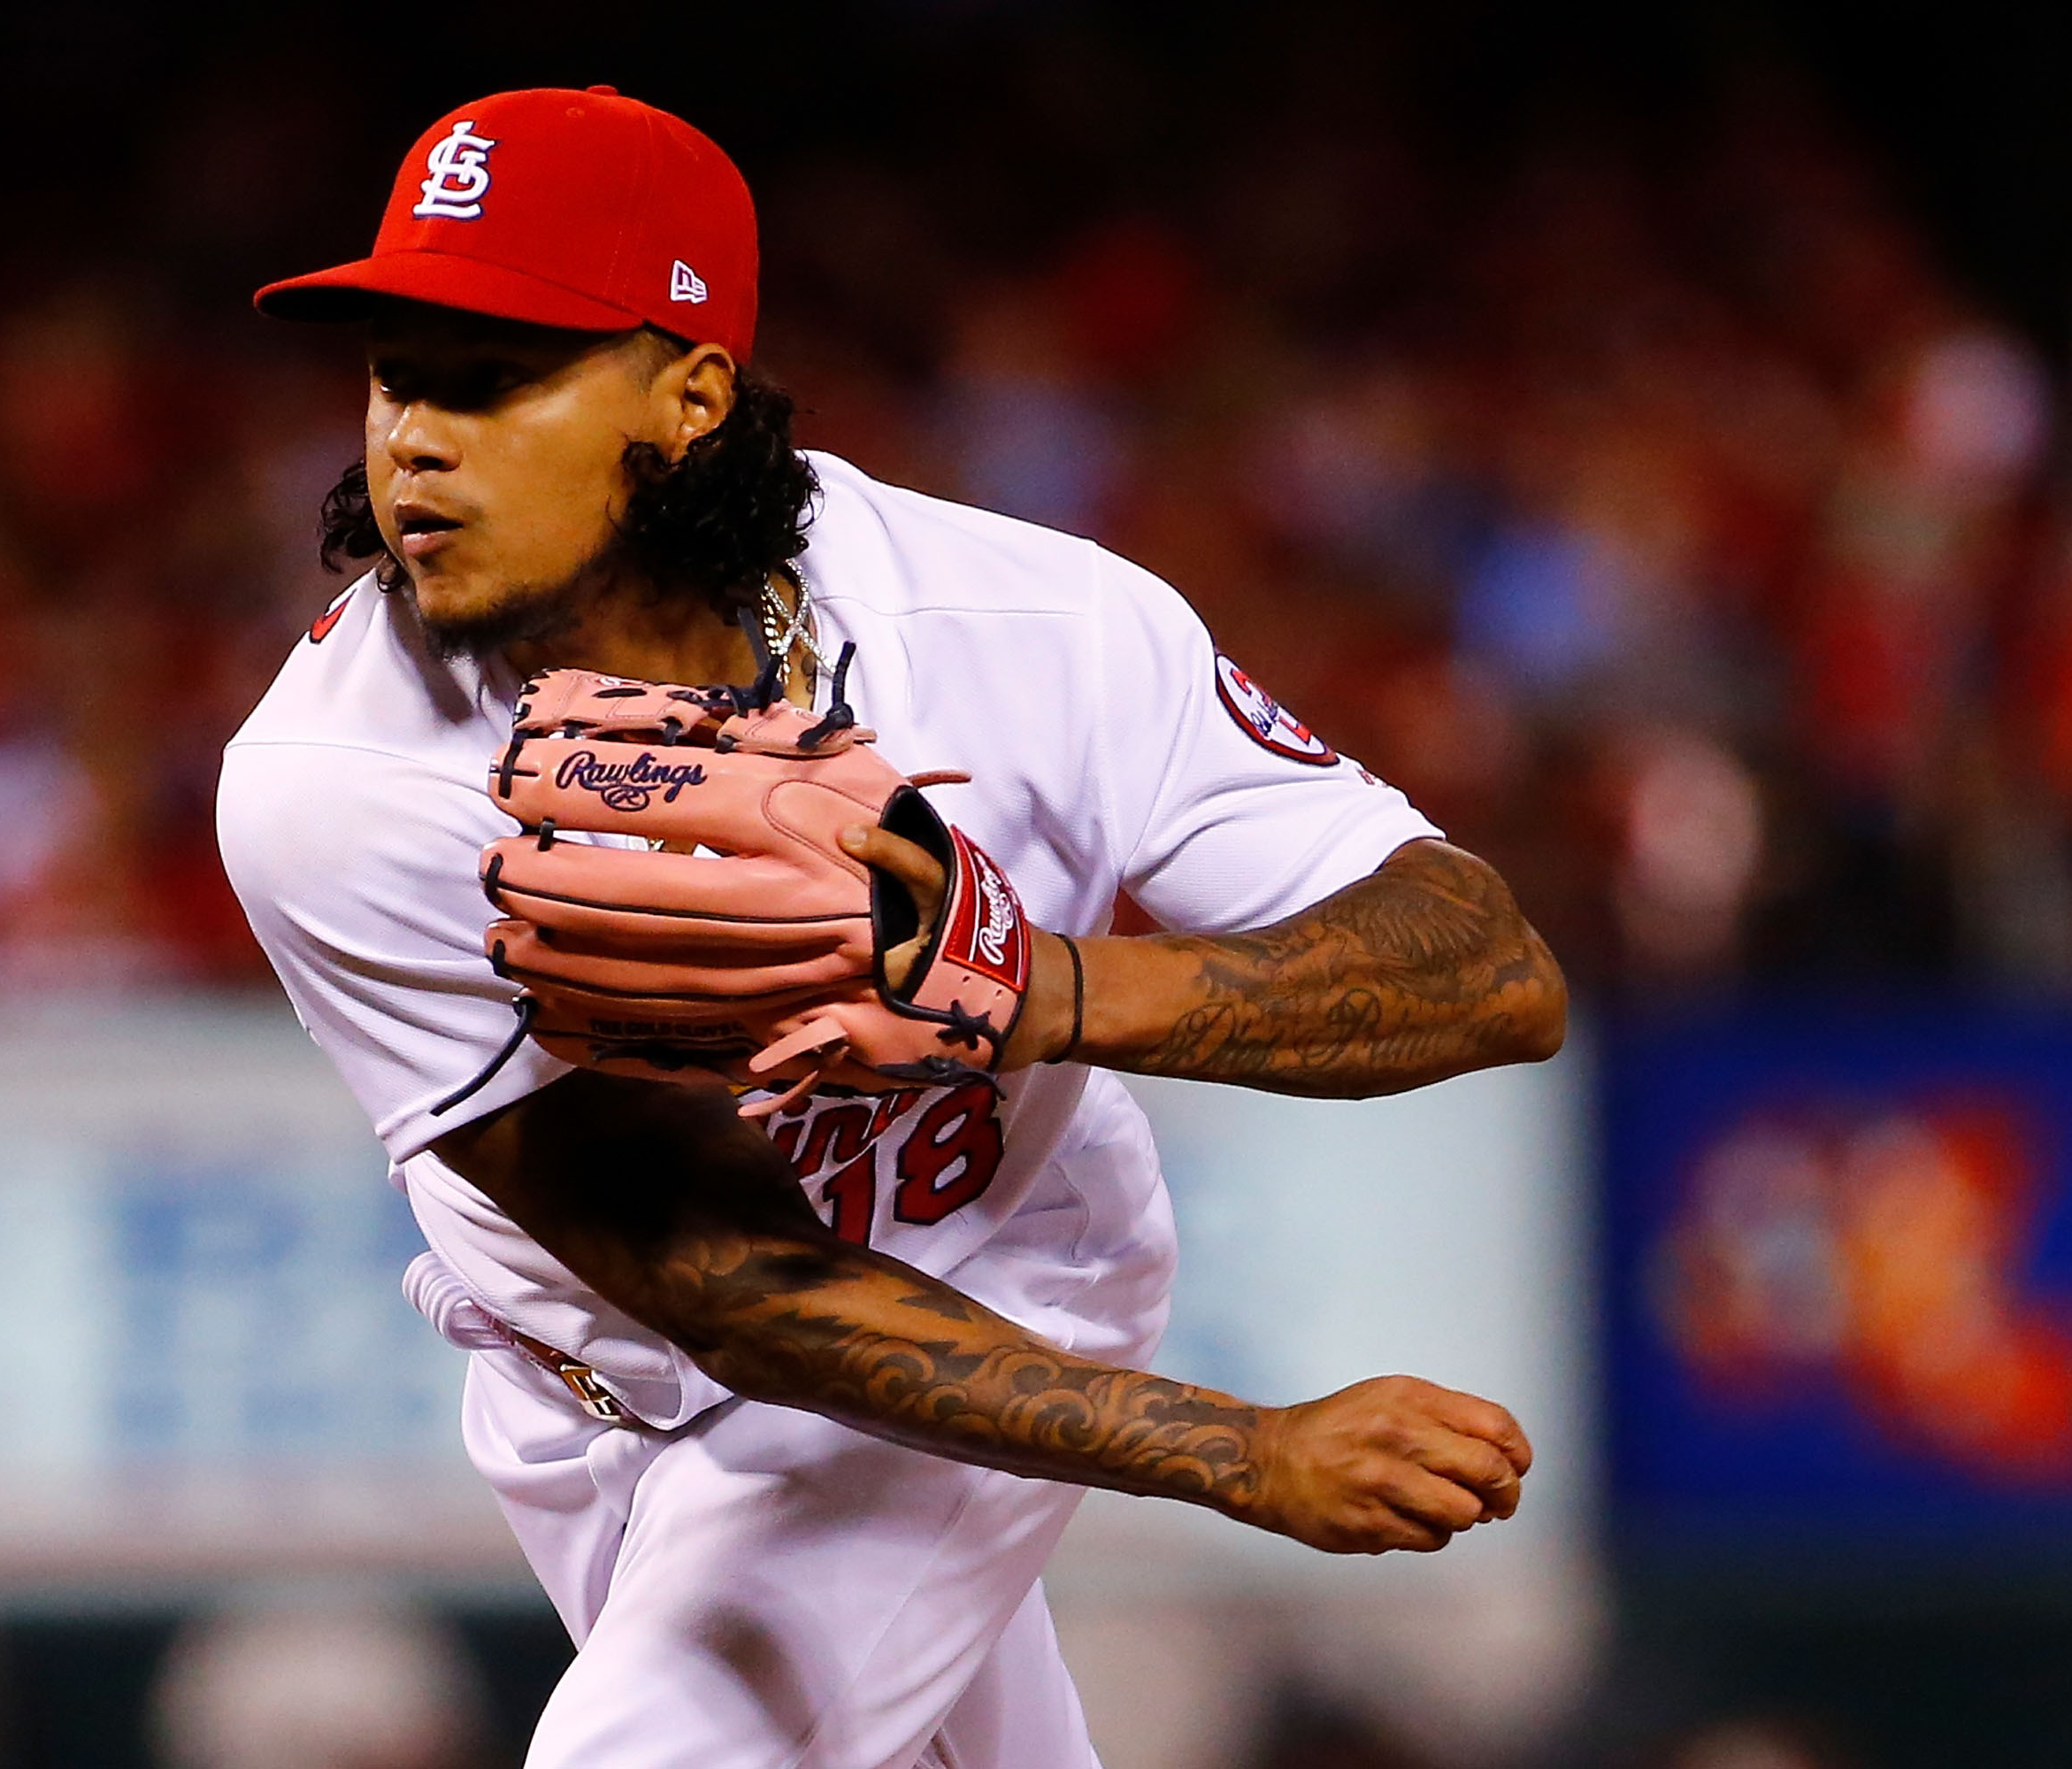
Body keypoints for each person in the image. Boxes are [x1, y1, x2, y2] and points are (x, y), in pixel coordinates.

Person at [219, 85, 1568, 1769]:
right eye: (395, 372)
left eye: (494, 379)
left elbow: (1487, 972)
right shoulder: (336, 782)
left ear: (691, 394)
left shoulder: (1021, 622)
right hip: (595, 1386)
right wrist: (1244, 1452)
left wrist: (1046, 987)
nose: (414, 435)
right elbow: (732, 1281)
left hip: (996, 1253)